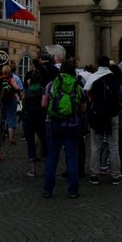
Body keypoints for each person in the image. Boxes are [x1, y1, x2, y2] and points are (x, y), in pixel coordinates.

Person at [42, 59, 85, 198]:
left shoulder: (51, 84)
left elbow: (43, 104)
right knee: (71, 157)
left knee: (52, 157)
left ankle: (48, 189)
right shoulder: (78, 85)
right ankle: (73, 190)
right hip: (72, 125)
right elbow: (83, 108)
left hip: (54, 123)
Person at [84, 55, 122, 185]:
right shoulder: (114, 78)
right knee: (113, 146)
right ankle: (115, 176)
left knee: (95, 146)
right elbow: (119, 94)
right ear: (108, 65)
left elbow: (88, 95)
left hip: (97, 114)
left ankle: (94, 175)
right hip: (112, 114)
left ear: (98, 64)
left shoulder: (93, 77)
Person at [0, 64, 21, 147]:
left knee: (2, 117)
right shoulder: (11, 79)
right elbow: (17, 88)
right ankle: (11, 138)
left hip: (1, 100)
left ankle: (1, 133)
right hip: (11, 100)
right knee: (11, 117)